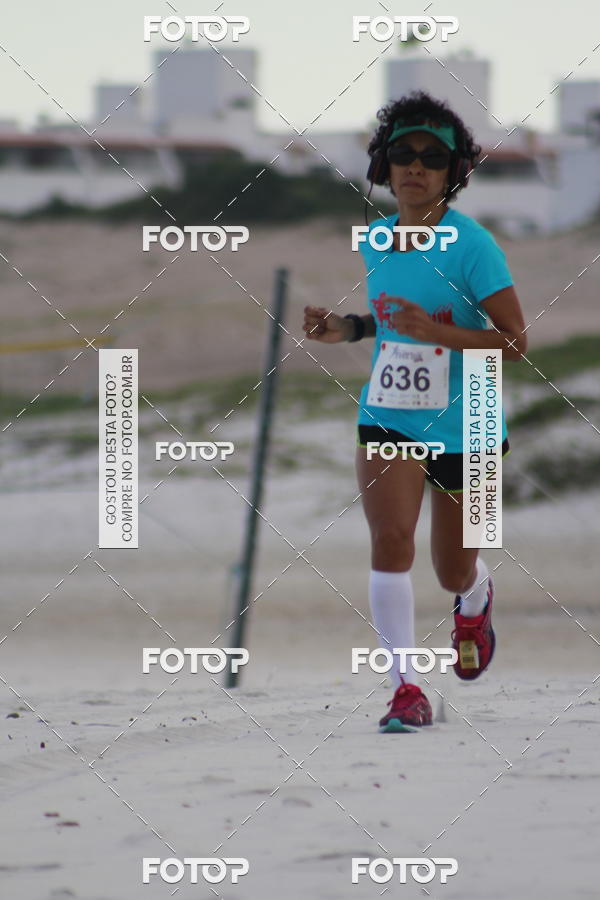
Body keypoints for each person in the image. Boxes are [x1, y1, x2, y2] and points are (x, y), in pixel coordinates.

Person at [302, 91, 528, 733]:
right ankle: (405, 688)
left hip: (474, 421)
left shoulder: (472, 244)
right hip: (392, 413)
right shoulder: (376, 239)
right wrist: (343, 329)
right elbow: (388, 323)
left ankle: (476, 598)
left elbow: (514, 343)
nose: (416, 166)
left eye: (433, 157)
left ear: (453, 172)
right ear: (383, 165)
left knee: (451, 567)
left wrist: (441, 332)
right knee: (390, 540)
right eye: (402, 153)